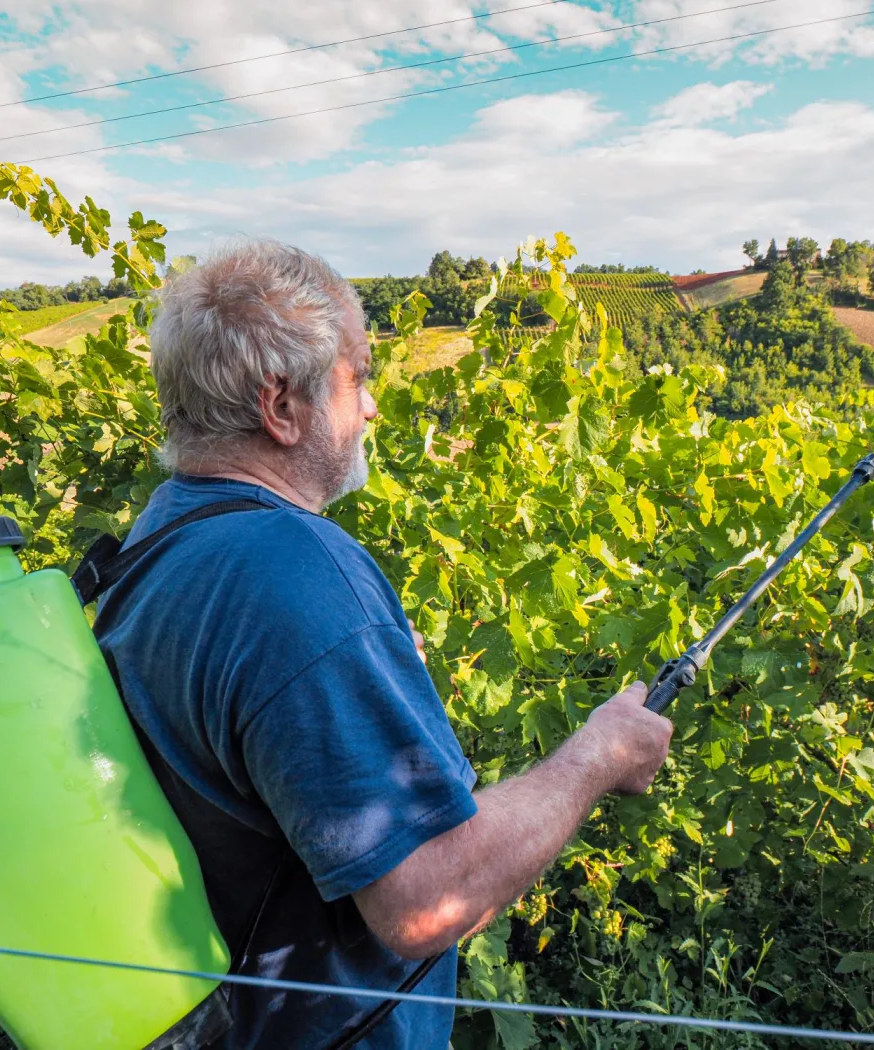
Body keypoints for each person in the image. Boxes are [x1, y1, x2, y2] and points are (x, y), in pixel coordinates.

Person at [93, 240, 673, 1050]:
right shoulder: (294, 573)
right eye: (358, 377)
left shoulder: (163, 536)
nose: (370, 407)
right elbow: (424, 900)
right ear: (281, 405)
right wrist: (598, 757)